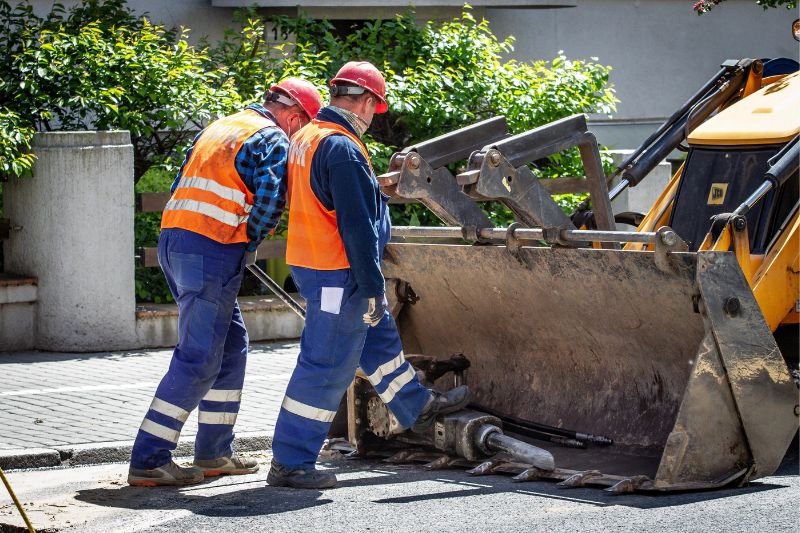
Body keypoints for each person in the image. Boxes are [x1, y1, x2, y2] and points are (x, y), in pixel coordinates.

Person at [267, 61, 471, 490]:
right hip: (337, 272)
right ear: (364, 102)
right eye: (374, 108)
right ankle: (291, 461)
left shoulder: (308, 137)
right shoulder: (342, 148)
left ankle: (416, 408)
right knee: (326, 365)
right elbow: (356, 226)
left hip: (316, 264)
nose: (372, 117)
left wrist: (375, 191)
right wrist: (373, 285)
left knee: (379, 340)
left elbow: (330, 199)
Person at [127, 78, 324, 487]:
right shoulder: (272, 137)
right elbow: (270, 201)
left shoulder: (223, 126)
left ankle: (214, 452)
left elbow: (182, 179)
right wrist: (248, 241)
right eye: (303, 127)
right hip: (212, 248)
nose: (299, 137)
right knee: (199, 357)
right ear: (294, 117)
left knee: (232, 346)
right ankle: (149, 458)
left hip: (176, 241)